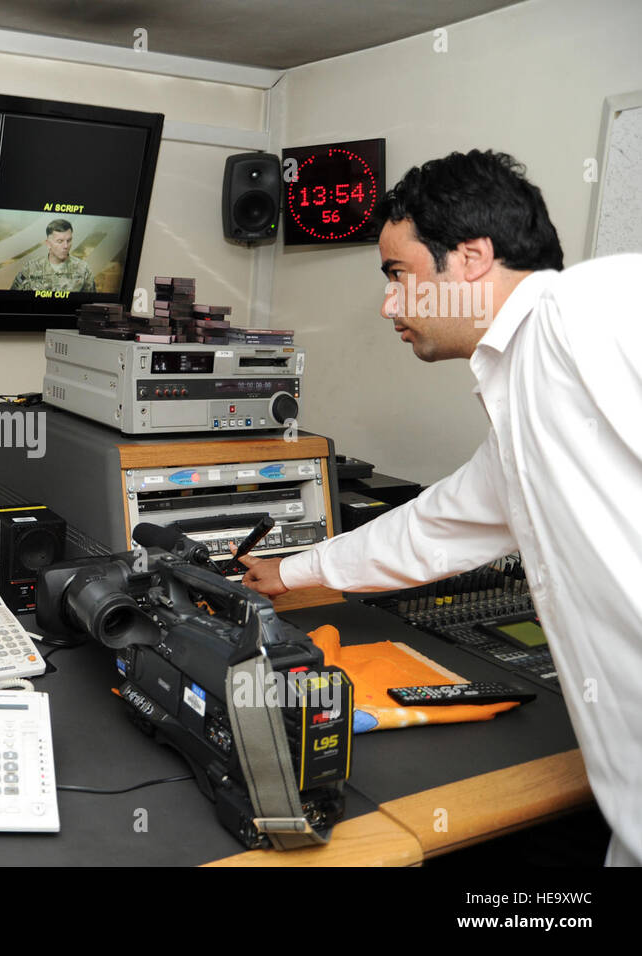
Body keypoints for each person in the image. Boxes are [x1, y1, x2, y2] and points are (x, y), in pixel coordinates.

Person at [234, 149, 642, 866]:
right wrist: (291, 571)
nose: (390, 304)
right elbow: (434, 528)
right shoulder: (521, 402)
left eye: (399, 275)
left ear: (474, 258)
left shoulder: (594, 305)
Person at [9, 218, 97, 293]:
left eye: (69, 240)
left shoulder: (83, 269)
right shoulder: (30, 268)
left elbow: (90, 305)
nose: (66, 246)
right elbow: (13, 299)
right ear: (48, 244)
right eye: (60, 241)